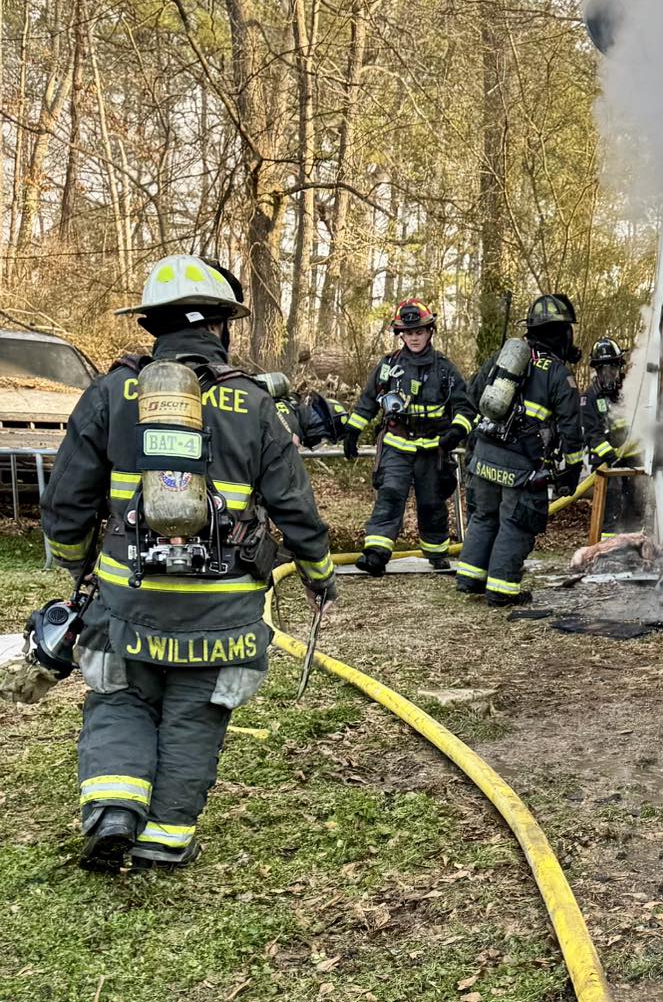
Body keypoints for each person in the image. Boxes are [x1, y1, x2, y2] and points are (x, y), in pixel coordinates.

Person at [40, 254, 335, 872]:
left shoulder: (111, 393)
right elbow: (294, 505)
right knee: (195, 715)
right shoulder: (253, 404)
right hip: (221, 613)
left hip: (127, 603)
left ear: (152, 325)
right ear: (223, 326)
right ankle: (166, 838)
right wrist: (319, 571)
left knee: (120, 698)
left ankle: (115, 810)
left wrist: (76, 566)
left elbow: (66, 499)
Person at [456, 294, 585, 603]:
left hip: (485, 455)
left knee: (485, 517)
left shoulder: (503, 358)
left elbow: (472, 394)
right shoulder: (557, 372)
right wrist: (571, 471)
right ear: (562, 333)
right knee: (516, 523)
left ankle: (470, 579)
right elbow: (570, 428)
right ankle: (501, 590)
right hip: (521, 465)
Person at [342, 301, 474, 575]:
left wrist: (456, 432)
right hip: (396, 445)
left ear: (430, 332)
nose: (414, 337)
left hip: (431, 449)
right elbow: (368, 401)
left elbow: (465, 408)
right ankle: (376, 553)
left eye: (419, 331)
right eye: (408, 332)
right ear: (400, 334)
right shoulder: (388, 366)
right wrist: (353, 431)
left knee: (432, 502)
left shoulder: (446, 370)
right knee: (389, 495)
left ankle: (437, 552)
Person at [579, 337, 635, 537]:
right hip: (604, 460)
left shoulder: (628, 391)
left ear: (619, 366)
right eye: (603, 369)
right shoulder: (590, 397)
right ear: (597, 370)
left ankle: (632, 538)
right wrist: (610, 456)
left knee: (633, 500)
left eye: (612, 367)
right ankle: (605, 543)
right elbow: (592, 434)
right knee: (609, 503)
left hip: (629, 456)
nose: (608, 373)